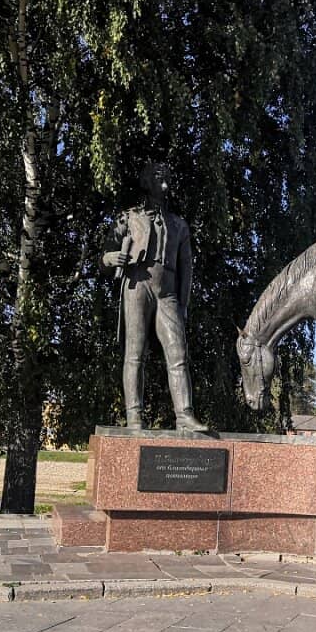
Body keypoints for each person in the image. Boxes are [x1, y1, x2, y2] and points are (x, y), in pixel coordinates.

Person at [102, 162, 208, 431]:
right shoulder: (128, 218)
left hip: (168, 293)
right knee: (135, 354)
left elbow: (188, 269)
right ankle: (134, 416)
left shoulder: (179, 225)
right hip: (137, 286)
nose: (165, 186)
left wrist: (183, 305)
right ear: (147, 182)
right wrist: (112, 257)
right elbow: (103, 256)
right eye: (159, 179)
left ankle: (184, 415)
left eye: (168, 179)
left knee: (178, 353)